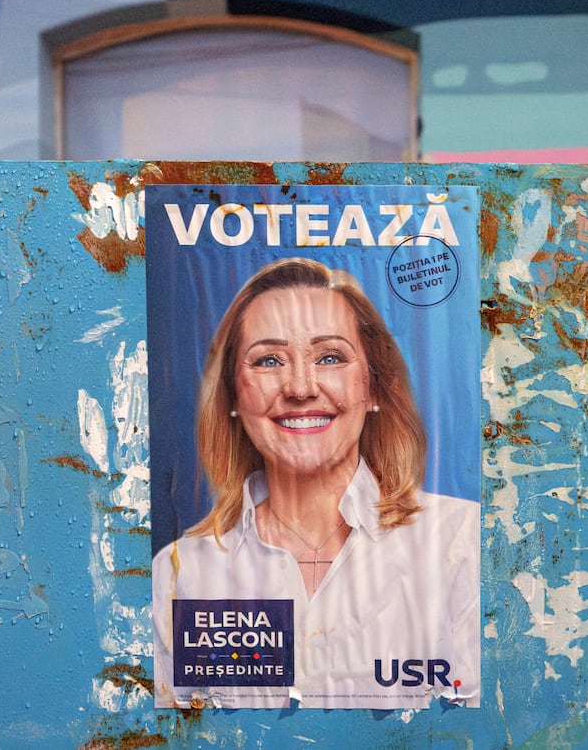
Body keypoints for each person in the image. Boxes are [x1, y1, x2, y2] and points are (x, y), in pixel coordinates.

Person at [153, 258, 480, 709]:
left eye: (330, 357)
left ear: (372, 389)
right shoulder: (180, 574)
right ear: (233, 395)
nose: (301, 388)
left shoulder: (463, 544)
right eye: (268, 360)